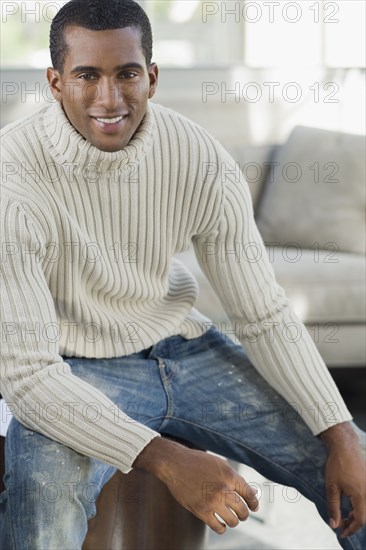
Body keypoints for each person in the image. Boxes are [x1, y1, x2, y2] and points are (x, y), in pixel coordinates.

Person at [0, 0, 365, 548]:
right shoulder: (13, 181)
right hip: (72, 371)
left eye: (126, 74)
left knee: (355, 470)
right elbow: (27, 375)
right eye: (86, 76)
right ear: (55, 83)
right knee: (43, 491)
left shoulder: (198, 157)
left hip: (185, 350)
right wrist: (170, 461)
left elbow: (262, 313)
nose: (109, 98)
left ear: (151, 76)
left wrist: (340, 431)